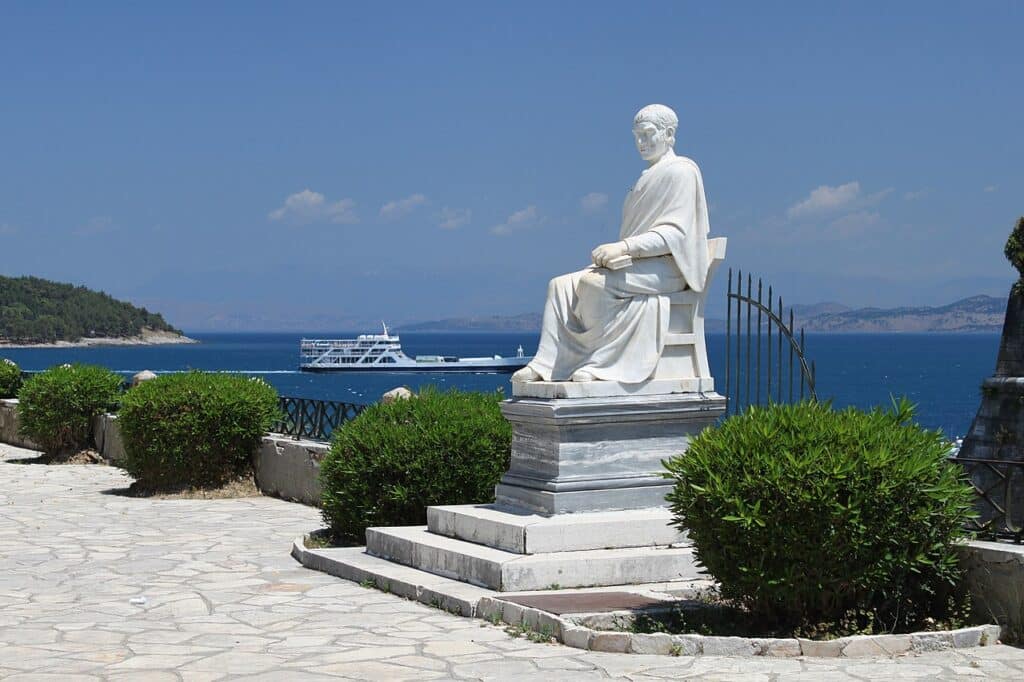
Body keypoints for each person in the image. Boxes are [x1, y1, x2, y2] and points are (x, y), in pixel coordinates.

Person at [512, 104, 711, 384]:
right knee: (559, 286)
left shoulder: (682, 171)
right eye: (636, 136)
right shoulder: (646, 177)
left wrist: (624, 247)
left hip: (668, 268)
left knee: (594, 284)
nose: (640, 142)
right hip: (638, 264)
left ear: (668, 134)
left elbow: (676, 233)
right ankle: (549, 365)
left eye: (647, 134)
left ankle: (601, 363)